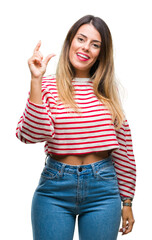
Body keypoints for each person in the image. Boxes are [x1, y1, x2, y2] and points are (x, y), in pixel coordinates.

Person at [16, 15, 136, 240]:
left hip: (103, 191)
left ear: (102, 52)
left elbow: (123, 149)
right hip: (54, 190)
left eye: (95, 44)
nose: (86, 48)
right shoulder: (47, 85)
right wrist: (35, 81)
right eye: (81, 39)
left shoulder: (108, 92)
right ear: (70, 40)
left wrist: (127, 200)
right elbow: (30, 134)